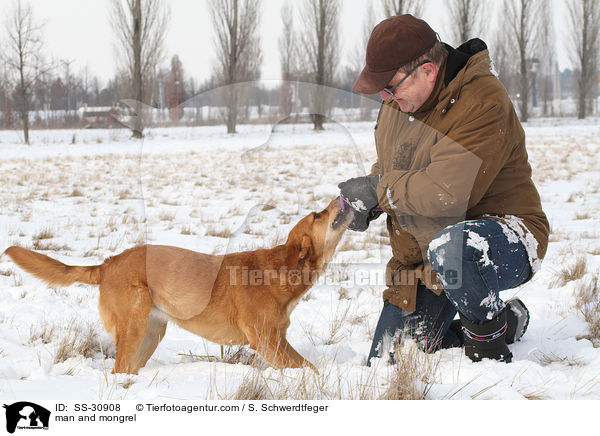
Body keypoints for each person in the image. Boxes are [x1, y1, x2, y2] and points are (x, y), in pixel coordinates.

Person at [338, 14, 549, 364]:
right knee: (392, 358)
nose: (384, 96)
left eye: (391, 86)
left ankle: (490, 352)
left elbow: (448, 193)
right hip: (425, 253)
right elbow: (389, 172)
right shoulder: (398, 104)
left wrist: (380, 191)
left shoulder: (484, 101)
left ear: (427, 70)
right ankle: (507, 320)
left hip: (501, 235)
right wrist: (367, 201)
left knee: (456, 248)